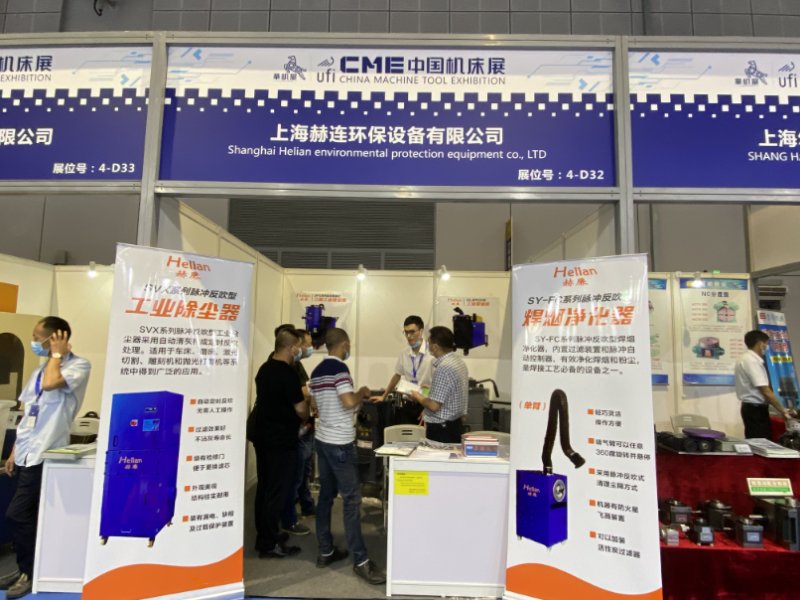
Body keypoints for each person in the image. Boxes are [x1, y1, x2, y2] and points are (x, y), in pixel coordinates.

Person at [0, 317, 91, 600]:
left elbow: (52, 384)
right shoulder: (40, 370)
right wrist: (14, 451)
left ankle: (29, 572)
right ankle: (26, 568)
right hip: (26, 453)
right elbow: (29, 411)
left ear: (55, 339)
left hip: (46, 454)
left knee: (18, 514)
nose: (33, 342)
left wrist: (57, 355)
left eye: (37, 337)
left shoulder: (78, 366)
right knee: (26, 516)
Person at [309, 328, 385, 585]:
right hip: (340, 444)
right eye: (348, 345)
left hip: (323, 441)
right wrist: (362, 392)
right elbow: (349, 402)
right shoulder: (340, 369)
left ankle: (325, 550)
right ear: (344, 344)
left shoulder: (316, 372)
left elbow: (316, 405)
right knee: (352, 500)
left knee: (326, 497)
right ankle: (361, 561)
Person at [248, 328, 309, 558]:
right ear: (291, 348)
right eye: (299, 347)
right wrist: (306, 412)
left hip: (263, 437)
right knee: (277, 491)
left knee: (265, 488)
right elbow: (301, 409)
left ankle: (266, 534)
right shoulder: (287, 374)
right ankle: (269, 544)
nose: (301, 351)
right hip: (281, 441)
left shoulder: (265, 369)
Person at [280, 328, 316, 536]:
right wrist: (310, 399)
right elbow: (303, 395)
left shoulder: (297, 365)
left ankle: (306, 505)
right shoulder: (287, 368)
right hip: (297, 427)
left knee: (303, 471)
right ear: (297, 345)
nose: (309, 348)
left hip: (304, 425)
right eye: (307, 345)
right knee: (296, 473)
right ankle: (289, 518)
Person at [409, 326, 468, 443]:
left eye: (429, 343)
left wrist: (417, 396)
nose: (427, 346)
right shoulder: (458, 362)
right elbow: (451, 390)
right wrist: (432, 388)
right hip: (455, 425)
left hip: (442, 430)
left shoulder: (443, 368)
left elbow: (434, 406)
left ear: (435, 347)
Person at [735, 329, 793, 439]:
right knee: (761, 442)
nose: (767, 347)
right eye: (766, 344)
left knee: (759, 440)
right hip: (755, 410)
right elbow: (765, 390)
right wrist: (782, 411)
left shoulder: (747, 359)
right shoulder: (751, 361)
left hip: (754, 408)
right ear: (760, 344)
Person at [370, 315, 434, 402]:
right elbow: (397, 376)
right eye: (406, 332)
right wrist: (384, 396)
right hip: (409, 401)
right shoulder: (404, 353)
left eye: (412, 332)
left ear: (421, 331)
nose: (409, 336)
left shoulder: (432, 352)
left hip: (427, 401)